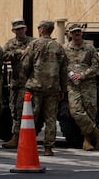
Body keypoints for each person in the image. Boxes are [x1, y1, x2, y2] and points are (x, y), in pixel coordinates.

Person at [22, 20, 68, 156]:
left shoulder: (34, 44)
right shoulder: (58, 47)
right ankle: (48, 147)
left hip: (35, 86)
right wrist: (63, 89)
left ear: (42, 30)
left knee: (31, 117)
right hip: (53, 88)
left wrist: (27, 78)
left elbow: (25, 65)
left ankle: (28, 145)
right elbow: (64, 70)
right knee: (50, 118)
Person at [63, 23, 99, 151]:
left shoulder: (89, 48)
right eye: (74, 32)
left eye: (79, 32)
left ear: (81, 33)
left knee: (90, 110)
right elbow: (61, 65)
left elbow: (95, 66)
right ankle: (98, 133)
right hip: (72, 84)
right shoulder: (65, 49)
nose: (76, 34)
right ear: (70, 34)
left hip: (88, 84)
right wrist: (70, 74)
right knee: (76, 111)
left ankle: (87, 141)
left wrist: (82, 75)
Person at [2, 18, 35, 149]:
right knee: (14, 110)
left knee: (24, 110)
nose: (20, 31)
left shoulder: (33, 42)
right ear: (13, 31)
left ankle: (20, 137)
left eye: (22, 28)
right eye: (17, 29)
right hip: (16, 82)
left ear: (25, 28)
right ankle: (17, 137)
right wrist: (17, 53)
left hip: (30, 82)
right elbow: (3, 55)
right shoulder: (11, 43)